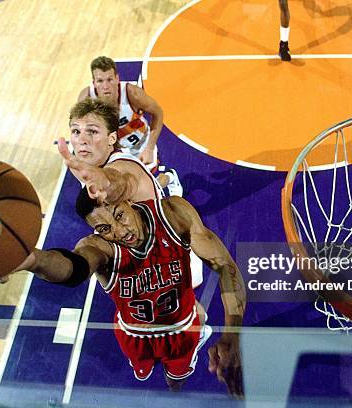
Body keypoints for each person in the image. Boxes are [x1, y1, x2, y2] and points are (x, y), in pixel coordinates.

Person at [15, 189, 246, 395]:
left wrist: (232, 333)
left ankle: (174, 388)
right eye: (104, 228)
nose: (119, 231)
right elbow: (74, 268)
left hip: (181, 328)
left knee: (175, 380)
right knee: (142, 372)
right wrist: (35, 260)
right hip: (134, 334)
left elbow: (225, 266)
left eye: (119, 215)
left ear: (128, 200)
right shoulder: (97, 247)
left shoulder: (172, 215)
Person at [60, 98, 203, 288]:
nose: (82, 140)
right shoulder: (81, 165)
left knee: (183, 309)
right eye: (76, 131)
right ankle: (168, 178)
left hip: (172, 248)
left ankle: (168, 180)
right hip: (139, 237)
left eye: (92, 131)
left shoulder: (121, 168)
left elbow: (117, 183)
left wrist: (105, 184)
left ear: (111, 138)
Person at [77, 56, 182, 196]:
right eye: (100, 81)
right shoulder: (86, 99)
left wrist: (149, 148)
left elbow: (158, 113)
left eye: (109, 79)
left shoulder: (132, 94)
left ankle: (170, 177)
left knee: (144, 190)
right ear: (94, 82)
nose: (105, 86)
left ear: (117, 78)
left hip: (138, 147)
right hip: (110, 149)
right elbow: (79, 131)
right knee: (110, 191)